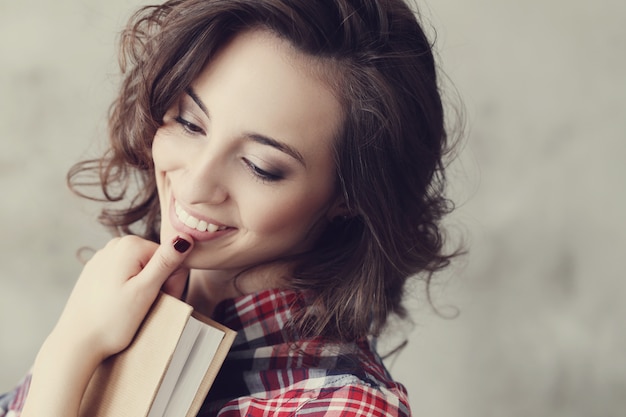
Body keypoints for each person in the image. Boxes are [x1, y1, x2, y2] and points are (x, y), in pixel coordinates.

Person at [1, 0, 460, 415]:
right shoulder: (122, 307)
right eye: (189, 122)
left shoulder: (338, 407)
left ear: (350, 198)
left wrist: (69, 351)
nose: (196, 183)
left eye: (260, 166)